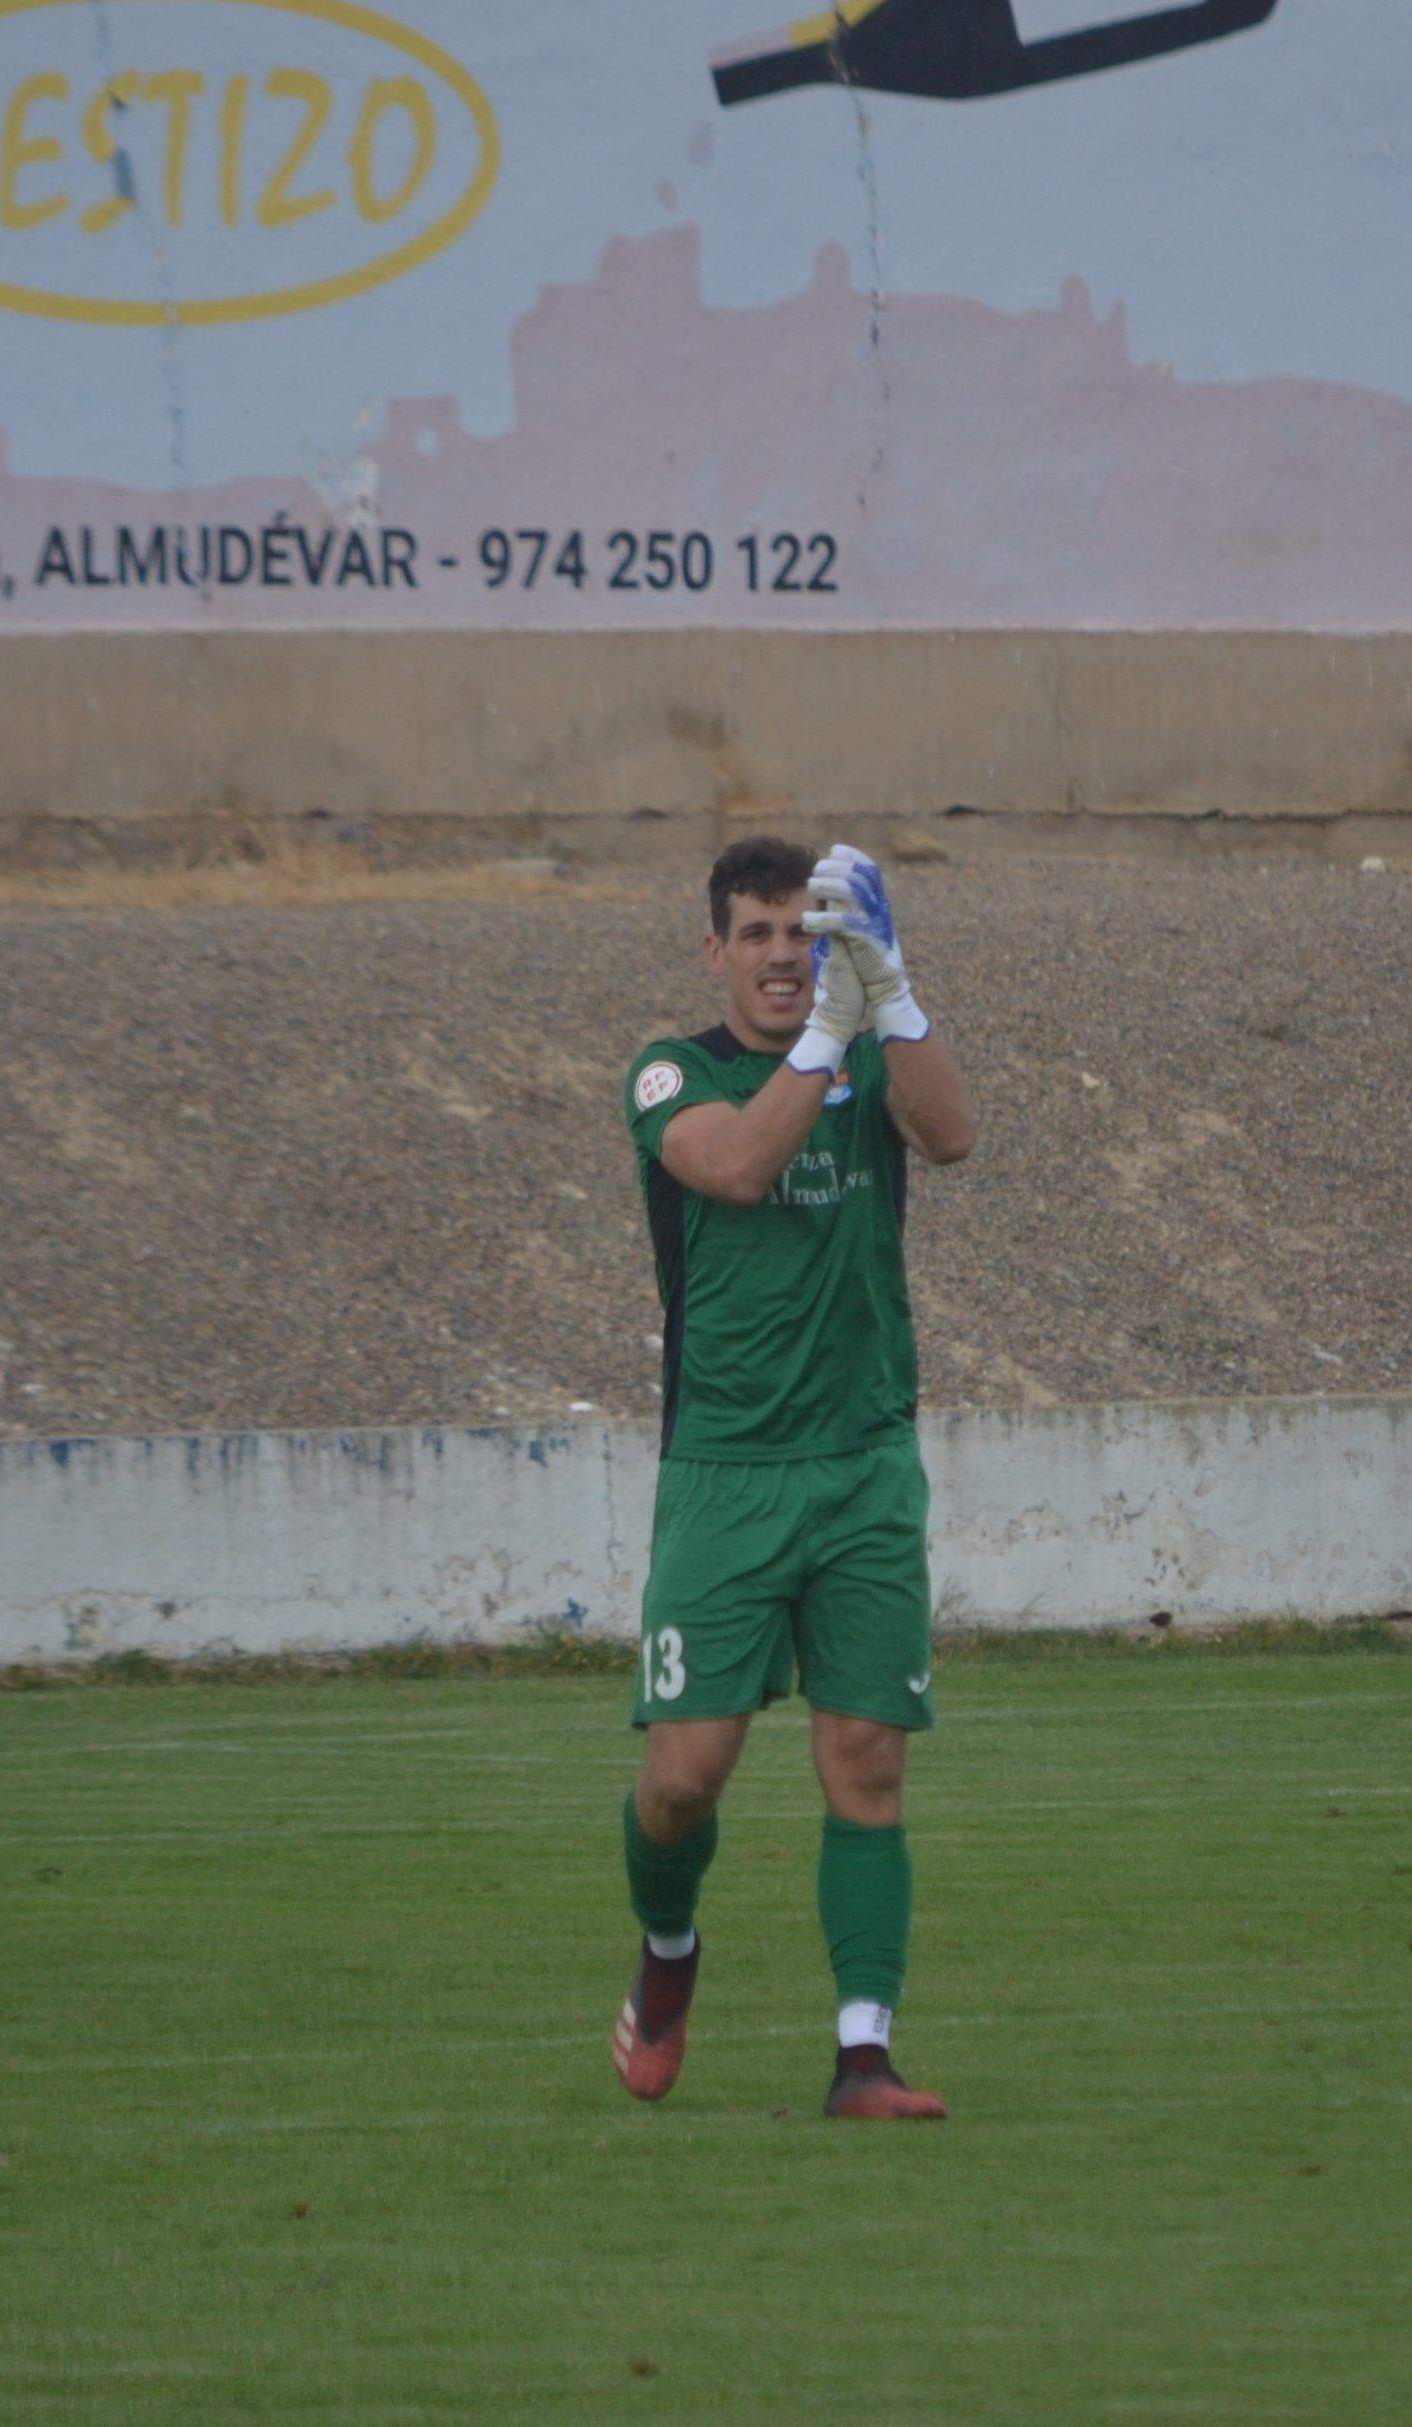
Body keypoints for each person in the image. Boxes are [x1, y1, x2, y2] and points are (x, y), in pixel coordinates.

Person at [610, 834, 978, 2120]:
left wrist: (896, 988)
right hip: (725, 1476)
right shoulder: (675, 1070)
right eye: (758, 934)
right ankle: (667, 1959)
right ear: (715, 950)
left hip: (864, 1464)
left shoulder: (867, 1044)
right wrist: (828, 1034)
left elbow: (952, 1136)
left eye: (804, 934)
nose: (781, 955)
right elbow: (737, 1166)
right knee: (681, 1781)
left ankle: (862, 2054)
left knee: (866, 1757)